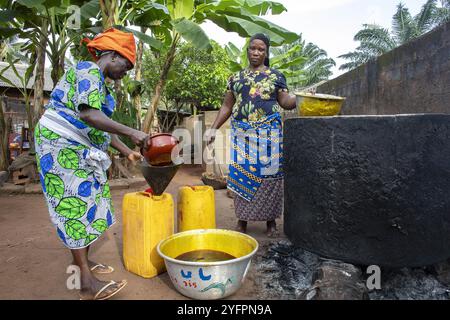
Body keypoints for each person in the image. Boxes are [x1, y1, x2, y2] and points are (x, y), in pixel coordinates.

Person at [34, 28, 150, 300]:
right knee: (73, 204)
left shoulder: (99, 83)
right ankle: (86, 281)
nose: (126, 71)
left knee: (88, 201)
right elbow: (88, 115)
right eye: (126, 65)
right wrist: (133, 133)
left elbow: (101, 129)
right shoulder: (88, 70)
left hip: (75, 148)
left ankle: (81, 264)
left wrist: (127, 151)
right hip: (59, 146)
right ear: (111, 55)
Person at [206, 33, 297, 238]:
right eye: (252, 48)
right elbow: (227, 106)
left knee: (270, 176)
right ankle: (242, 220)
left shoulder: (276, 76)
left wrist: (298, 99)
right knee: (242, 175)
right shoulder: (236, 78)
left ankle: (271, 221)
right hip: (242, 133)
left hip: (270, 133)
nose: (256, 52)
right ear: (247, 50)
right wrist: (213, 128)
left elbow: (285, 102)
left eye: (261, 49)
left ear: (266, 53)